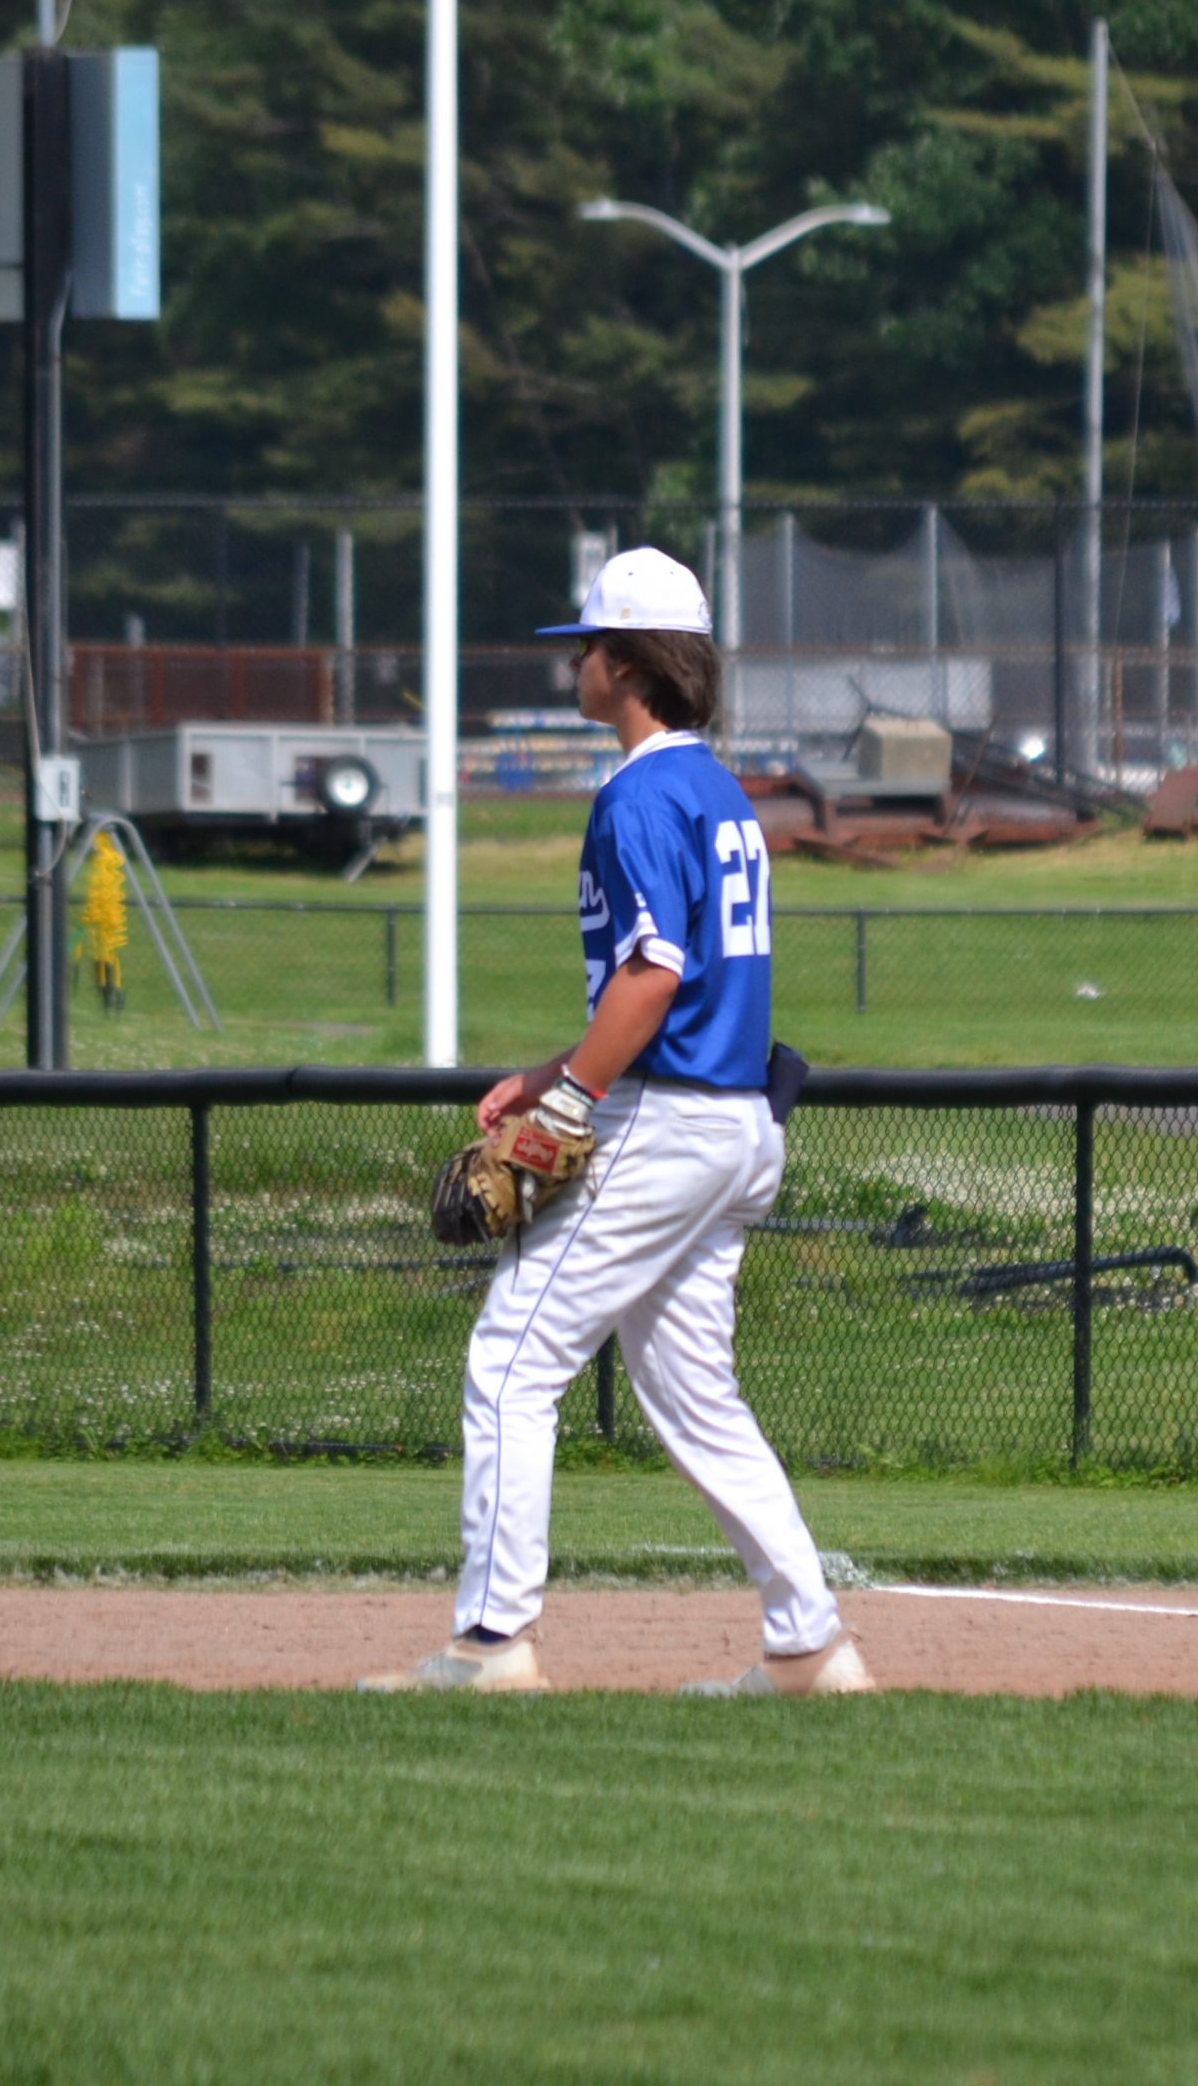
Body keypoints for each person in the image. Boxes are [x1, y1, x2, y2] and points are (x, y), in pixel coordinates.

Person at [360, 547, 867, 1698]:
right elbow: (669, 987)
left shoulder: (638, 793)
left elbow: (649, 978)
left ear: (630, 665)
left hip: (669, 1119)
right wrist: (550, 1073)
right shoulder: (717, 791)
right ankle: (809, 1648)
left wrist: (576, 1099)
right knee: (695, 1393)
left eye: (587, 648)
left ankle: (491, 1646)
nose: (577, 665)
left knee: (511, 1356)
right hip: (736, 1123)